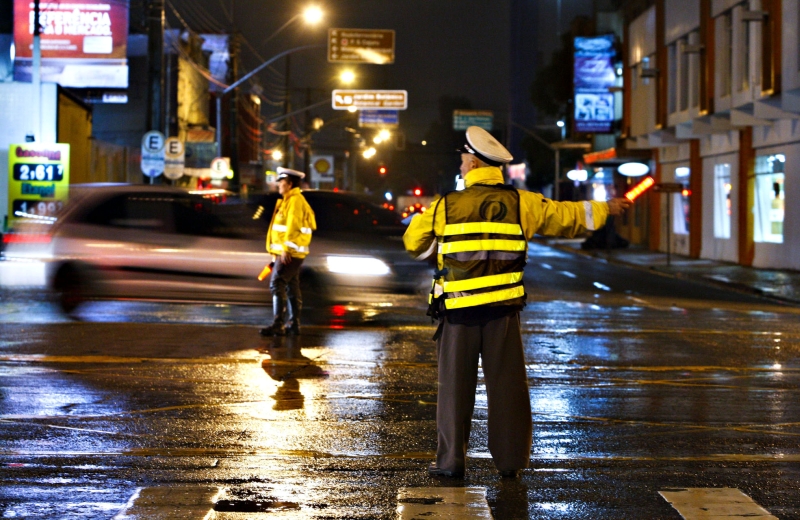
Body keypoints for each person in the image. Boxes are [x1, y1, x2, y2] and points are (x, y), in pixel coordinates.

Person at [403, 126, 631, 478]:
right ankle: (510, 462)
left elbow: (413, 242)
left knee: (454, 389)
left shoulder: (446, 205)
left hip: (458, 312)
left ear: (476, 162)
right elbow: (566, 217)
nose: (462, 168)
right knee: (508, 387)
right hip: (503, 314)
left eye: (464, 162)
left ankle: (450, 463)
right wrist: (606, 209)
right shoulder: (523, 203)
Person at [260, 167, 317, 337]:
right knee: (291, 286)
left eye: (281, 182)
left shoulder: (295, 201)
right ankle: (293, 324)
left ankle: (278, 325)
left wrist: (286, 249)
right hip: (290, 252)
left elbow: (293, 226)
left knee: (276, 283)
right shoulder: (289, 200)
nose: (279, 185)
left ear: (290, 184)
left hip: (291, 252)